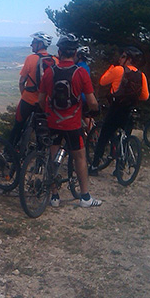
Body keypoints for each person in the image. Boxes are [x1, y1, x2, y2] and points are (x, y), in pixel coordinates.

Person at [38, 34, 102, 208]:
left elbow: (41, 99)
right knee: (80, 157)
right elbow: (92, 102)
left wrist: (48, 112)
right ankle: (85, 197)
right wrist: (95, 109)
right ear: (75, 54)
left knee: (52, 157)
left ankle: (54, 196)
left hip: (53, 122)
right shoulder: (80, 73)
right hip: (72, 123)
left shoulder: (49, 72)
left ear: (58, 52)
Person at [88, 46, 149, 175]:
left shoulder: (118, 70)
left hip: (116, 109)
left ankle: (94, 167)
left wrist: (111, 68)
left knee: (104, 136)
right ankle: (119, 169)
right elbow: (145, 96)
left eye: (123, 56)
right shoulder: (141, 75)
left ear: (128, 59)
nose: (120, 58)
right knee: (124, 138)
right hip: (129, 110)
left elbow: (103, 81)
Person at [9, 31, 57, 147]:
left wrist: (23, 94)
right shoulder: (55, 60)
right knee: (42, 130)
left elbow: (22, 81)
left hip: (29, 99)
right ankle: (39, 155)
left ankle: (9, 152)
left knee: (18, 125)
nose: (31, 45)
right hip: (45, 102)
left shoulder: (30, 59)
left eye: (33, 42)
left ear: (40, 44)